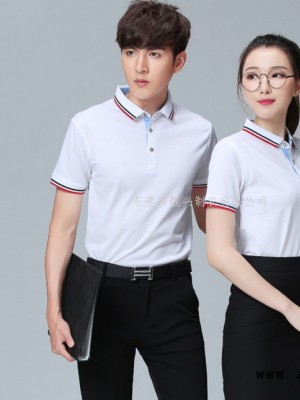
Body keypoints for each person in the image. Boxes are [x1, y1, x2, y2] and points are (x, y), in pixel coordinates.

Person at [45, 1, 216, 399]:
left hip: (172, 295)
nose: (139, 66)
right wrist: (53, 308)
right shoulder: (87, 126)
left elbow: (209, 218)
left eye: (154, 53)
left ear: (179, 61)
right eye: (130, 51)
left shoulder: (200, 132)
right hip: (103, 295)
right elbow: (63, 226)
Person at [205, 34, 300, 400]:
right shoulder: (230, 152)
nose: (264, 86)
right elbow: (218, 252)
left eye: (277, 75)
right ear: (242, 85)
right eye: (252, 76)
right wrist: (290, 310)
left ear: (298, 85)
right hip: (260, 310)